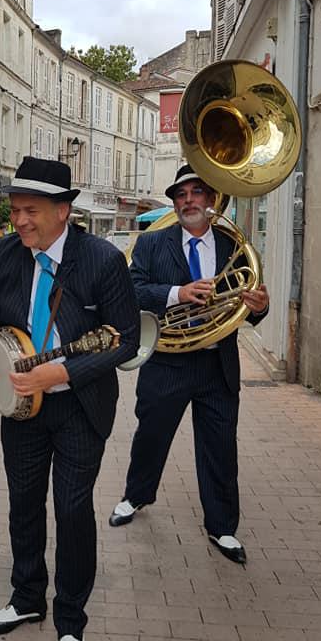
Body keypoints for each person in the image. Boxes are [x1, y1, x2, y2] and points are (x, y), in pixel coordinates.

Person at [0, 157, 140, 641]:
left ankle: (71, 620)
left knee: (73, 507)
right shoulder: (4, 254)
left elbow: (125, 340)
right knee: (23, 502)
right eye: (14, 210)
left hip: (79, 406)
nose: (19, 221)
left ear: (64, 211)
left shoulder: (103, 261)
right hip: (18, 406)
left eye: (31, 211)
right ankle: (26, 597)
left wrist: (60, 373)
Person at [108, 164, 269, 566]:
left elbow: (242, 305)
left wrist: (259, 310)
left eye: (197, 192)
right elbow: (133, 290)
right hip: (168, 362)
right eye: (181, 195)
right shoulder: (152, 244)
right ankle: (136, 495)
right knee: (151, 436)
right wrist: (178, 292)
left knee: (219, 448)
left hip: (218, 365)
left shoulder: (234, 248)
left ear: (213, 199)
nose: (189, 201)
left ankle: (222, 526)